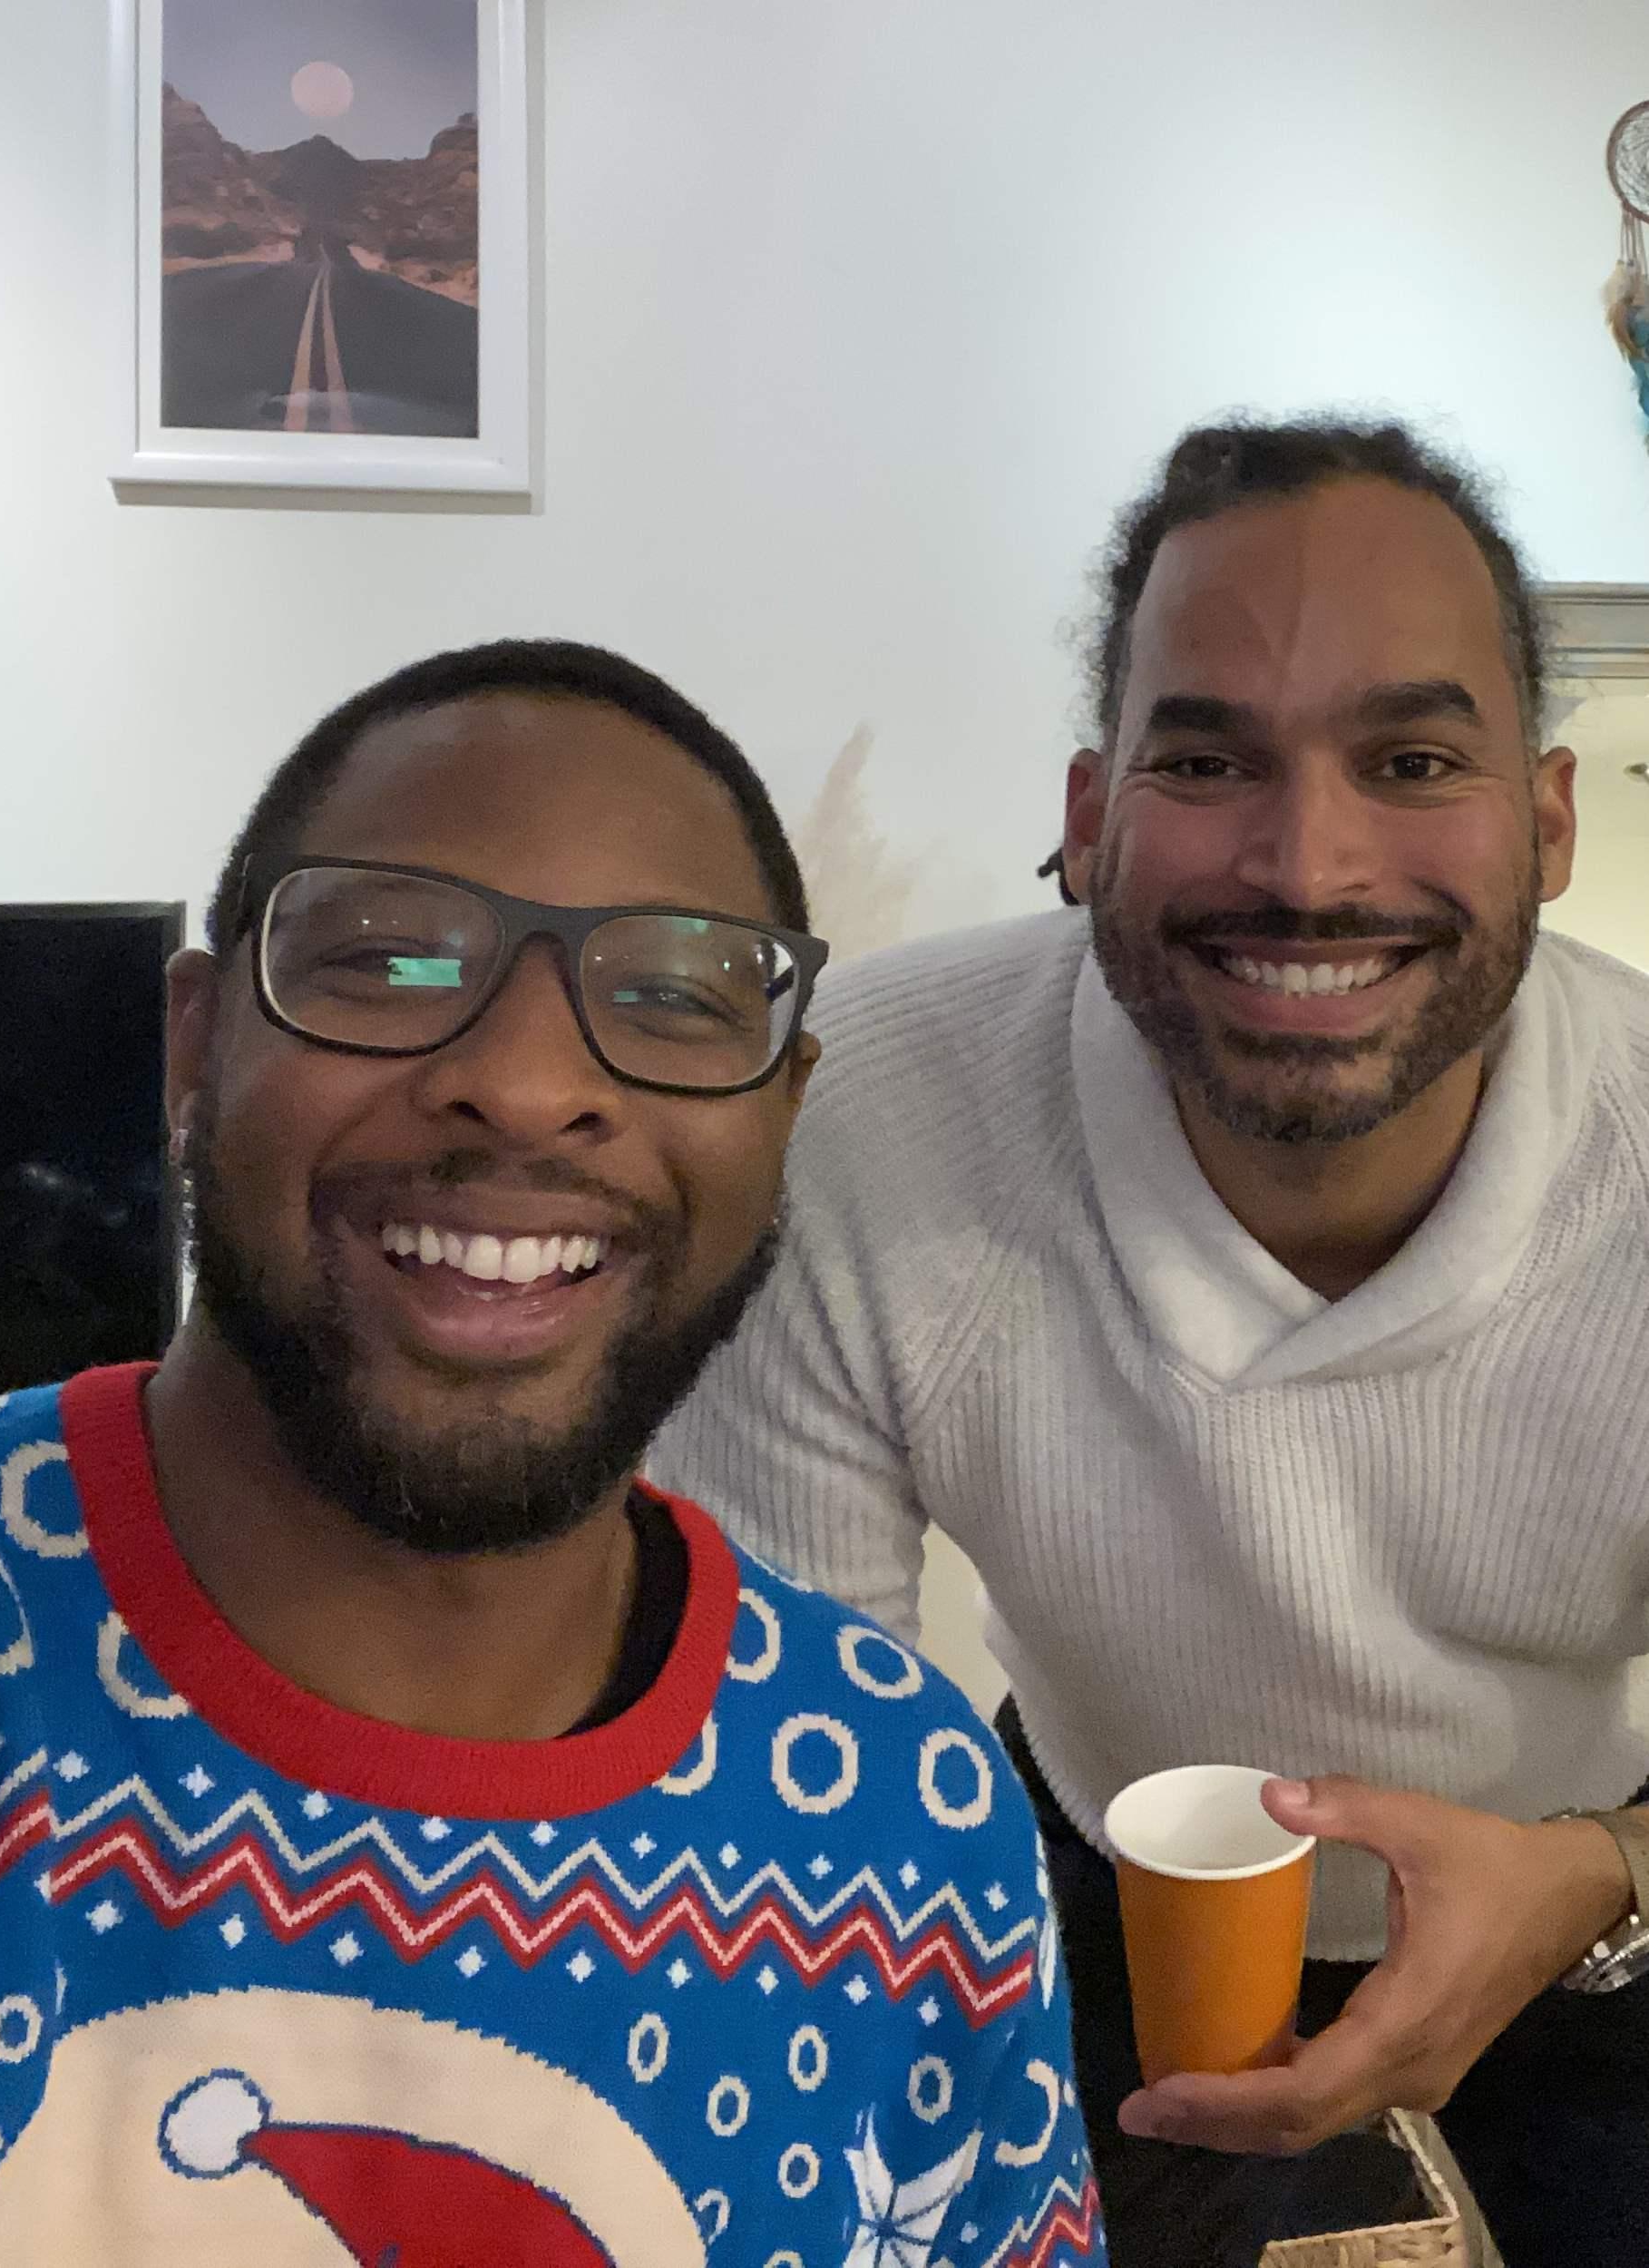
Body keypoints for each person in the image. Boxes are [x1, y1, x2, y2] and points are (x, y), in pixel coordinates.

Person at [0, 640, 1102, 2267]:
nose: (522, 1084)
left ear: (782, 1111)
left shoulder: (907, 1814)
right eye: (388, 963)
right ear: (196, 1045)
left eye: (669, 996)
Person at [653, 422, 1649, 2266]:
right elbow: (786, 1755)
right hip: (1083, 1896)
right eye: (1204, 760)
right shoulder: (863, 1116)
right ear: (1091, 816)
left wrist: (1599, 1876)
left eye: (1411, 759)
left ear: (1549, 820)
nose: (1307, 865)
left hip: (1590, 1908)